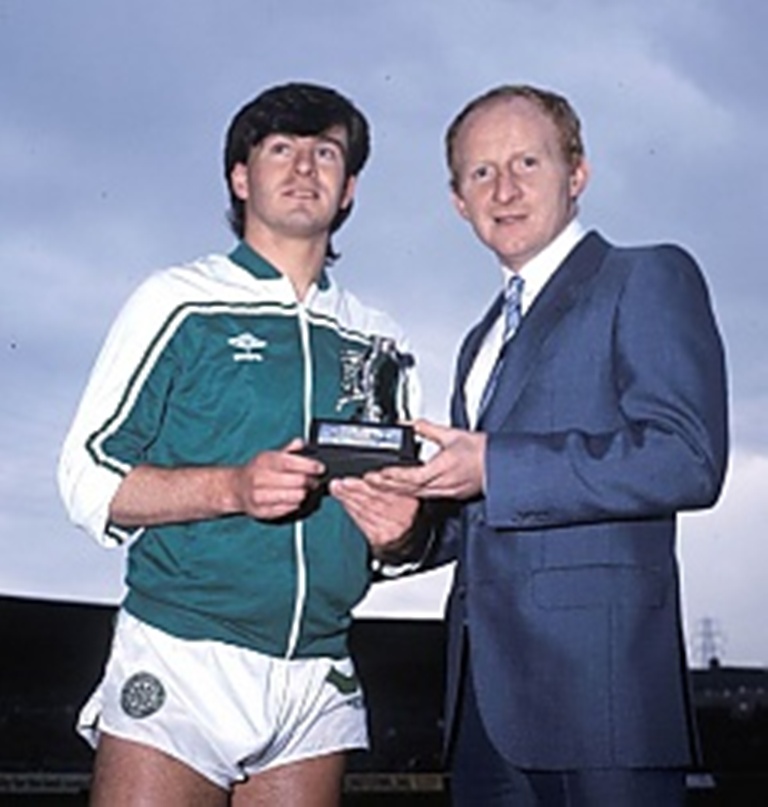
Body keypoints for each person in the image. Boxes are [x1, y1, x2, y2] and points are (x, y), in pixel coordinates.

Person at [58, 82, 420, 807]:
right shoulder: (179, 300)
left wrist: (403, 537)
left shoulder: (381, 339)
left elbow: (397, 524)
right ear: (240, 177)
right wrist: (232, 487)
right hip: (184, 653)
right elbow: (85, 477)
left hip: (316, 673)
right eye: (279, 149)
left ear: (348, 189)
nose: (303, 167)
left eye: (325, 153)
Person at [368, 84, 728, 806]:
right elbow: (484, 509)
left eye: (526, 162)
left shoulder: (646, 274)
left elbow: (687, 455)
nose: (503, 188)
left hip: (604, 707)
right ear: (456, 201)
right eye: (480, 173)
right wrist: (405, 529)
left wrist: (493, 464)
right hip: (482, 714)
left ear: (578, 174)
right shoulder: (479, 338)